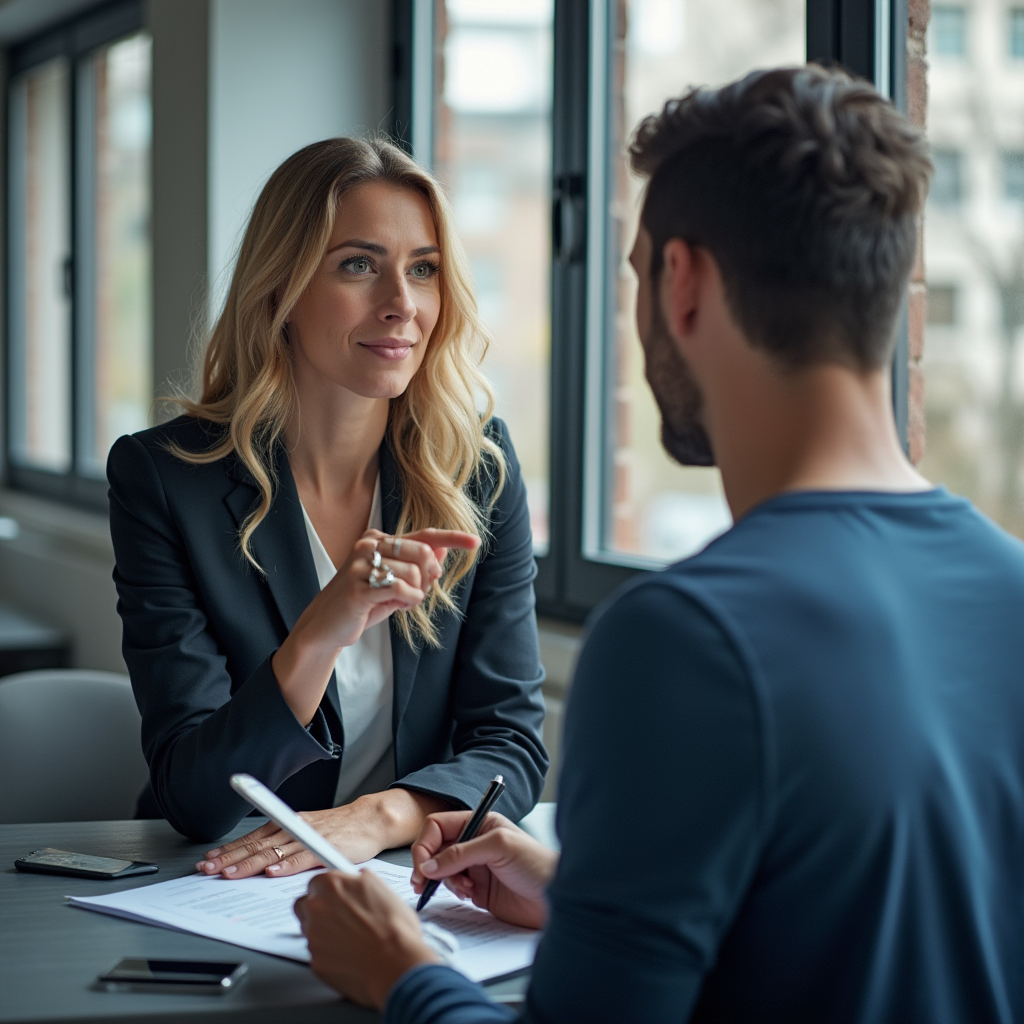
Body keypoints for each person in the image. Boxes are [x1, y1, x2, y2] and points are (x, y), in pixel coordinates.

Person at [293, 65, 1024, 1023]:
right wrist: (592, 906)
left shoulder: (684, 641)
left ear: (683, 282)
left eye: (637, 272)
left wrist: (403, 976)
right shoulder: (1009, 591)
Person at [107, 137, 548, 871]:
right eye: (358, 265)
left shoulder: (478, 468)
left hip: (404, 876)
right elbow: (194, 797)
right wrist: (321, 632)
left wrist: (379, 816)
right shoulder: (164, 478)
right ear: (279, 287)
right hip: (218, 881)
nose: (402, 304)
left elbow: (511, 746)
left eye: (424, 271)